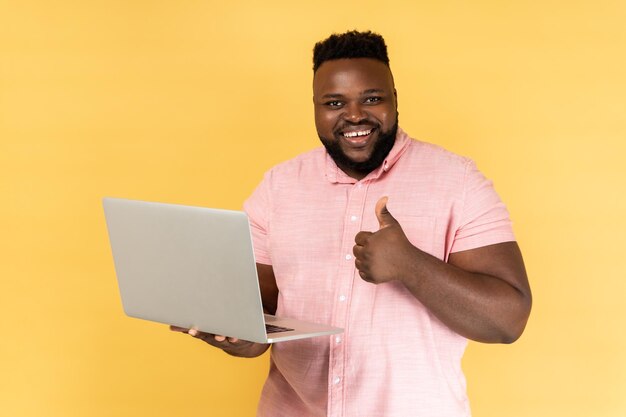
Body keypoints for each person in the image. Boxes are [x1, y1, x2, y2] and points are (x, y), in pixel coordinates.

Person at [171, 30, 532, 417]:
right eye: (334, 102)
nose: (355, 115)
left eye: (372, 98)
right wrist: (240, 338)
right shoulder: (278, 187)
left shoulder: (457, 181)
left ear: (395, 99)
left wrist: (410, 264)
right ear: (315, 107)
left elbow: (507, 321)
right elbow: (262, 313)